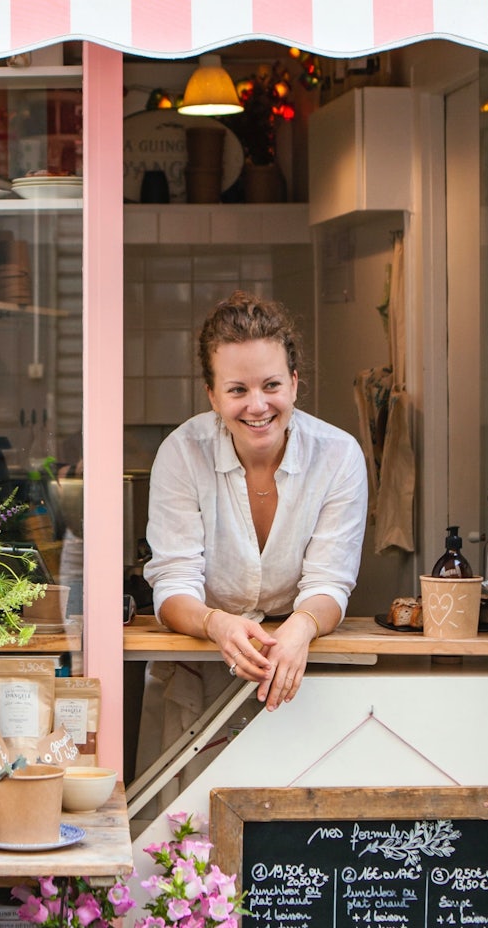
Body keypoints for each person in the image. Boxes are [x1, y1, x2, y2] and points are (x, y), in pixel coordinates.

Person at [136, 291, 368, 794]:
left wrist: (301, 628)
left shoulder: (339, 457)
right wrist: (215, 623)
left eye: (272, 385)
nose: (258, 405)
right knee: (179, 837)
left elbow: (330, 581)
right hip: (194, 670)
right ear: (213, 395)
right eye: (238, 389)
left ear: (295, 383)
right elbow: (173, 581)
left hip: (292, 678)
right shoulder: (182, 453)